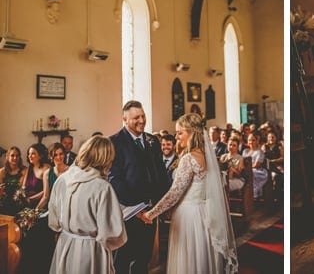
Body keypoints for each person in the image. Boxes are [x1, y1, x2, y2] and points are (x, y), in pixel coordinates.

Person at [137, 113, 238, 273]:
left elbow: (175, 193)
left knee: (189, 261)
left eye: (180, 133)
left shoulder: (189, 158)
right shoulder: (208, 157)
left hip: (189, 217)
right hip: (205, 214)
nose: (177, 137)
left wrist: (151, 214)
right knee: (201, 257)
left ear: (192, 132)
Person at [47, 136, 127, 273]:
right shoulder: (102, 187)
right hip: (91, 250)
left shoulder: (63, 179)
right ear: (105, 160)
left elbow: (54, 220)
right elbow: (112, 234)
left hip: (65, 244)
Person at [108, 100, 168, 274]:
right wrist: (137, 210)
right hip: (129, 213)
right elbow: (115, 179)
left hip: (151, 211)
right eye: (136, 118)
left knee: (144, 258)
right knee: (123, 259)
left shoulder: (152, 140)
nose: (142, 120)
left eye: (143, 116)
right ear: (125, 119)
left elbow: (160, 172)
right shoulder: (115, 142)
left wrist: (161, 203)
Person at [22, 143, 51, 209]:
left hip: (40, 203)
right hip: (27, 202)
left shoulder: (46, 168)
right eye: (29, 154)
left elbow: (47, 190)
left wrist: (31, 199)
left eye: (33, 153)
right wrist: (21, 196)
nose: (30, 156)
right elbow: (23, 187)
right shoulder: (30, 167)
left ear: (40, 156)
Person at [243, 131, 268, 199]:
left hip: (258, 171)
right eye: (249, 140)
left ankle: (253, 196)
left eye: (253, 140)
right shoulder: (245, 151)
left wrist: (246, 168)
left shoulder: (259, 152)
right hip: (246, 170)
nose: (251, 142)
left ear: (257, 141)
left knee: (250, 173)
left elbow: (256, 165)